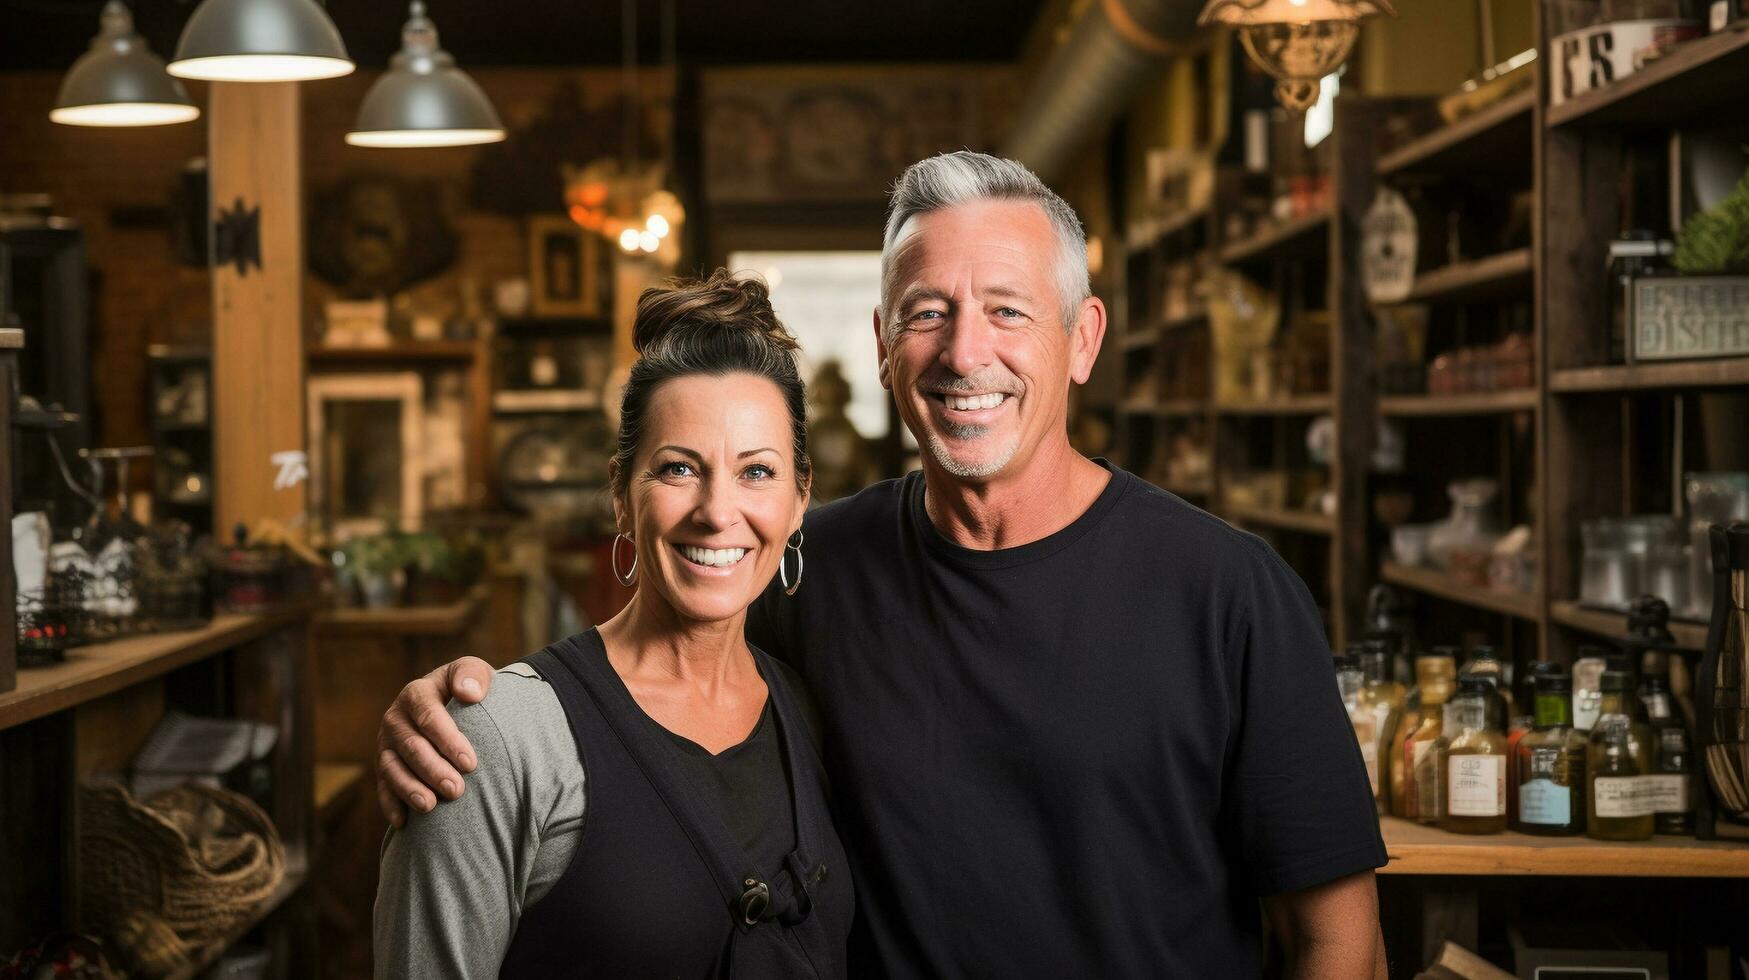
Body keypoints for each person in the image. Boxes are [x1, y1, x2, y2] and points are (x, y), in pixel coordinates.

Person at [376, 152, 1388, 977]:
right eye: (926, 312)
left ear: (1082, 339)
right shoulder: (813, 566)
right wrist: (469, 713)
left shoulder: (1231, 594)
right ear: (881, 344)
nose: (962, 352)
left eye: (1006, 309)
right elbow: (655, 674)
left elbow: (1337, 941)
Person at [373, 272, 854, 978]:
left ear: (798, 500)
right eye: (678, 469)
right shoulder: (497, 739)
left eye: (757, 472)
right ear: (622, 497)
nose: (718, 511)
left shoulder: (809, 709)